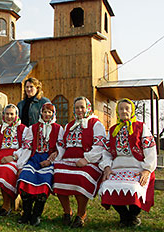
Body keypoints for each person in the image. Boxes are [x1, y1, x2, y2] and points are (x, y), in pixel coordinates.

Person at [98, 98, 157, 227]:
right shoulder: (113, 130)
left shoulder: (141, 127)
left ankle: (133, 216)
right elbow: (106, 152)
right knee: (108, 186)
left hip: (138, 167)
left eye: (127, 109)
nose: (124, 111)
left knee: (135, 187)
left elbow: (150, 149)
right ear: (117, 112)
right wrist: (107, 167)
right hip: (117, 167)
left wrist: (147, 169)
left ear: (132, 111)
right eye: (121, 109)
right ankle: (125, 216)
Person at [53, 96, 106, 228]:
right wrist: (58, 156)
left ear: (88, 108)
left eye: (82, 107)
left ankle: (81, 213)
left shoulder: (95, 124)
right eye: (77, 107)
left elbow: (100, 146)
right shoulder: (69, 125)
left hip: (88, 161)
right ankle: (67, 212)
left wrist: (87, 159)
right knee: (57, 174)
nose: (79, 110)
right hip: (68, 160)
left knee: (81, 177)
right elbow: (62, 145)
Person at [17, 103, 64, 226]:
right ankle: (26, 213)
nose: (47, 114)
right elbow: (27, 147)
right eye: (45, 111)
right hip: (34, 158)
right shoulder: (32, 128)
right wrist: (21, 164)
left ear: (53, 114)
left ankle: (36, 215)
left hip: (49, 160)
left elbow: (60, 149)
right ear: (41, 113)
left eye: (50, 112)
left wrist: (50, 161)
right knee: (25, 178)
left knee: (44, 183)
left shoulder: (58, 128)